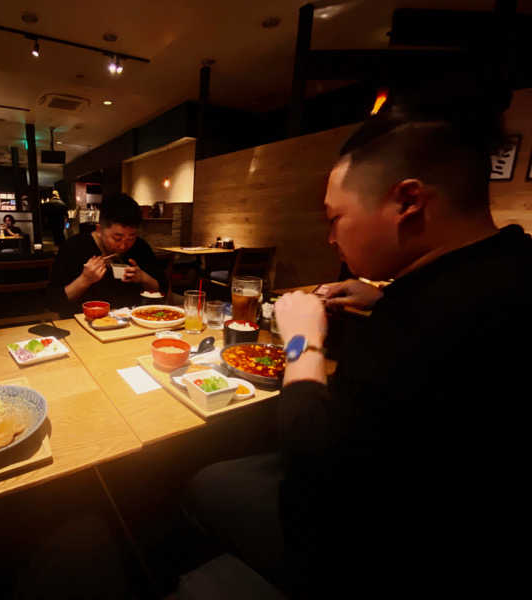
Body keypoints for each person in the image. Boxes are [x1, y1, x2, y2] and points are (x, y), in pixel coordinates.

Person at [185, 102, 531, 597]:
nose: (330, 239)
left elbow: (312, 459)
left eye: (336, 218)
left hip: (370, 549)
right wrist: (384, 294)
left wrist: (302, 340)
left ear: (408, 202)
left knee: (204, 485)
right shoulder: (510, 264)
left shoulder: (422, 321)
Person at [47, 193, 166, 316]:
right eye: (117, 238)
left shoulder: (140, 247)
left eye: (131, 237)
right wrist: (84, 280)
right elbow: (54, 302)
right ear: (99, 230)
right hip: (85, 323)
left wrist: (143, 277)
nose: (123, 246)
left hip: (134, 322)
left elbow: (163, 289)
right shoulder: (74, 247)